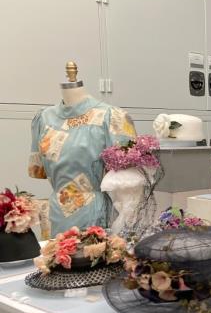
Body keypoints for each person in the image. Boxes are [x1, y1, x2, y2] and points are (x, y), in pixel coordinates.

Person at [28, 63, 137, 236]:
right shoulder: (43, 118)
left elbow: (131, 179)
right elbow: (38, 170)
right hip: (54, 215)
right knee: (53, 260)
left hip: (93, 214)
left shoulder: (112, 117)